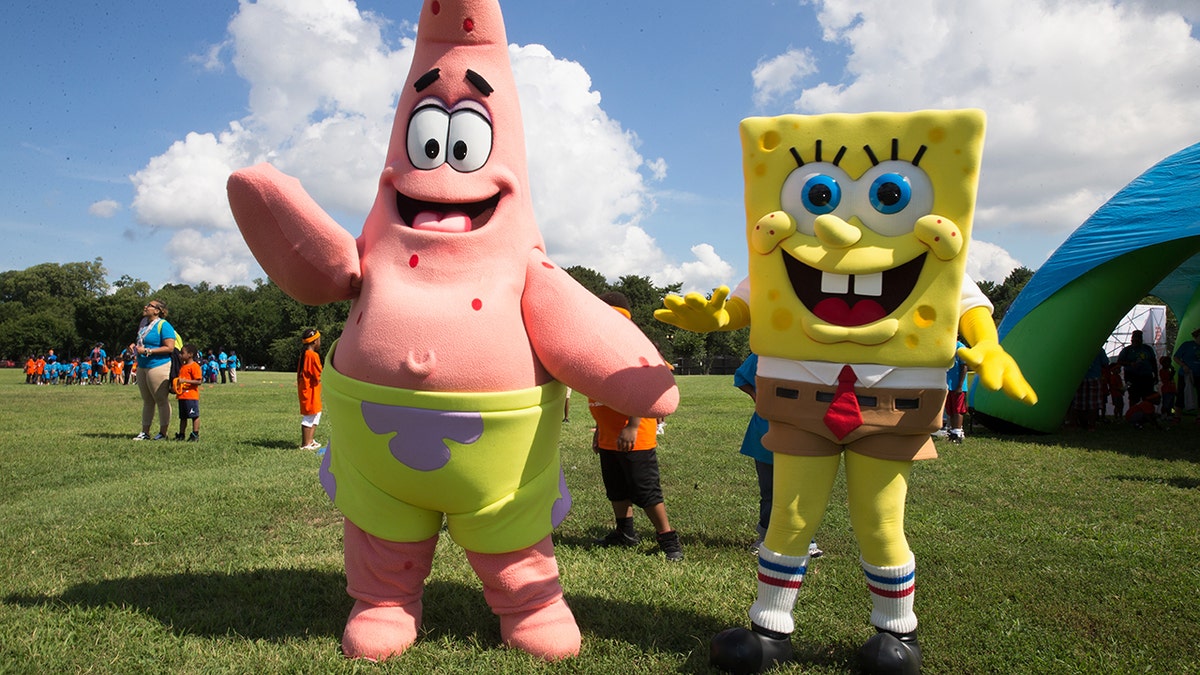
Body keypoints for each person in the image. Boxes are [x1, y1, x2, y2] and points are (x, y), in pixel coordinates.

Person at [589, 292, 683, 562]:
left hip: (634, 433)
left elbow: (647, 381)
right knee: (616, 487)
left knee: (645, 490)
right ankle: (625, 533)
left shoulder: (628, 339)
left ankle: (668, 539)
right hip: (608, 432)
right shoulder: (601, 342)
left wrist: (633, 423)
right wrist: (599, 429)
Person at [736, 353, 821, 558]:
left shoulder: (812, 355)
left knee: (800, 492)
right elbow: (741, 379)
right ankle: (765, 537)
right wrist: (757, 397)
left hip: (801, 432)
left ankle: (805, 539)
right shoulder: (764, 354)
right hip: (765, 432)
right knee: (769, 491)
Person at [130, 299, 176, 440]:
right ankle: (145, 432)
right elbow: (141, 341)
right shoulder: (143, 324)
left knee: (161, 399)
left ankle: (162, 433)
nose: (146, 307)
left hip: (158, 365)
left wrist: (148, 351)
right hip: (142, 365)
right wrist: (134, 347)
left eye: (149, 306)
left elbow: (170, 347)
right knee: (147, 400)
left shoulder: (164, 325)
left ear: (157, 310)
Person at [298, 328, 324, 451]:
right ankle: (305, 444)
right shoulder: (312, 356)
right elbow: (317, 373)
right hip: (310, 390)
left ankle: (310, 440)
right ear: (314, 342)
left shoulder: (305, 355)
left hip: (309, 389)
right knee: (310, 416)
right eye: (319, 339)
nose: (320, 342)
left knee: (316, 413)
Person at [1117, 330, 1157, 405]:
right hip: (1131, 376)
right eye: (1134, 338)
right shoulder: (1127, 350)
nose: (1135, 340)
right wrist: (1130, 363)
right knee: (1133, 397)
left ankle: (1146, 414)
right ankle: (1133, 414)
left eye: (1138, 338)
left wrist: (1156, 375)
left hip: (1146, 376)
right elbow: (1119, 361)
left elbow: (1153, 362)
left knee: (1148, 396)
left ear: (1141, 339)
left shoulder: (1147, 349)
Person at [1071, 349, 1109, 430]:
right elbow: (1105, 363)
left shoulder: (1078, 349)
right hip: (1094, 378)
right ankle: (1091, 425)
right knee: (1093, 403)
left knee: (1077, 403)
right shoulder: (1099, 350)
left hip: (1080, 378)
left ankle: (1074, 424)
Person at [174, 344, 203, 442]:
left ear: (190, 354)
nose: (180, 355)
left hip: (191, 396)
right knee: (183, 417)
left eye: (182, 353)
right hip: (182, 396)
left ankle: (195, 434)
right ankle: (181, 434)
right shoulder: (183, 366)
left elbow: (198, 381)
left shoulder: (194, 366)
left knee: (194, 416)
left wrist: (185, 381)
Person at [1173, 327, 1200, 419]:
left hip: (1198, 374)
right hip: (1185, 374)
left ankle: (1199, 417)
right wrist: (1183, 365)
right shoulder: (1187, 345)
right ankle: (1177, 416)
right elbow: (1176, 357)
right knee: (1181, 394)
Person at [1158, 356, 1177, 421]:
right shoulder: (1162, 371)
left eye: (1169, 362)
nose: (1168, 363)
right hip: (1166, 390)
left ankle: (1171, 415)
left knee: (1172, 405)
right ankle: (1163, 414)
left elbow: (1172, 381)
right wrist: (1172, 373)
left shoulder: (1168, 371)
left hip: (1172, 390)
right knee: (1166, 404)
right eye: (1166, 362)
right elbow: (1168, 379)